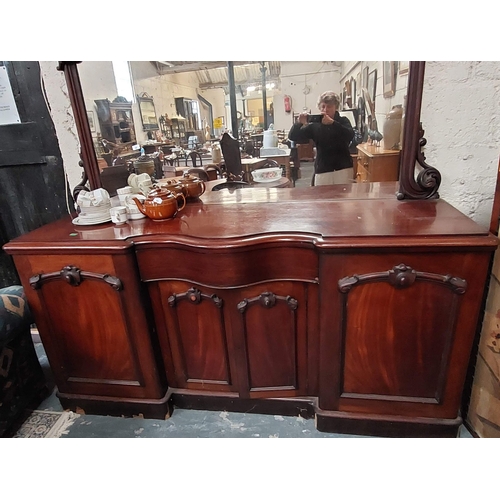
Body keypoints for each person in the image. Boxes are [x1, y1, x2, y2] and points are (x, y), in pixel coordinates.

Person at [288, 91, 354, 186]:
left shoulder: (343, 121)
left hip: (343, 168)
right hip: (323, 169)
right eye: (323, 106)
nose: (325, 110)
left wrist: (333, 123)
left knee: (344, 199)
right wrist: (299, 123)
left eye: (329, 106)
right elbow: (293, 137)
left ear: (336, 107)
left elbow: (349, 135)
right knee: (321, 199)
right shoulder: (315, 125)